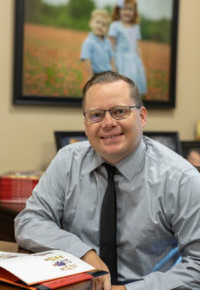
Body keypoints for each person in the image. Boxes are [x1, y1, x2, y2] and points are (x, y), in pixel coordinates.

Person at [15, 71, 200, 290]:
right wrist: (83, 252)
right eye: (96, 115)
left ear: (142, 116)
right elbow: (30, 221)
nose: (108, 123)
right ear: (85, 122)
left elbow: (197, 265)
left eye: (120, 112)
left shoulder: (182, 179)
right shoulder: (68, 162)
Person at [108, 0, 147, 95]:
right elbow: (110, 47)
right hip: (121, 61)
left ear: (134, 11)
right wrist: (112, 65)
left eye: (130, 9)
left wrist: (141, 64)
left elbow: (137, 47)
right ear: (119, 10)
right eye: (124, 9)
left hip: (134, 61)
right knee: (122, 89)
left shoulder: (135, 27)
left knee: (133, 91)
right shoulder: (115, 26)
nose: (127, 12)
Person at [80, 9, 116, 78]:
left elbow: (112, 60)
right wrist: (91, 77)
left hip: (108, 75)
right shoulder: (88, 42)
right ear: (91, 23)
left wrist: (114, 76)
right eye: (98, 22)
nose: (100, 26)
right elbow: (87, 61)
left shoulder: (107, 42)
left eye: (104, 25)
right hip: (96, 75)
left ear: (107, 29)